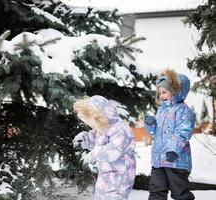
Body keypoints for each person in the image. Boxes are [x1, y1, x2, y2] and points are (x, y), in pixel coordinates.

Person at [144, 69, 195, 200]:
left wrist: (173, 149)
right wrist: (151, 125)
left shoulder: (184, 111)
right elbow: (157, 135)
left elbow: (183, 132)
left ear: (176, 91)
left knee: (180, 194)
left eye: (164, 92)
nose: (161, 96)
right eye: (159, 93)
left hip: (176, 162)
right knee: (156, 192)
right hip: (158, 161)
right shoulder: (161, 111)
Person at [72, 95, 136, 200]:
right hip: (106, 174)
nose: (92, 127)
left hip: (120, 176)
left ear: (99, 117)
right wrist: (83, 139)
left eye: (92, 123)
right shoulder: (103, 128)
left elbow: (115, 150)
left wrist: (94, 154)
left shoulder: (120, 129)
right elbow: (96, 139)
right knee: (101, 196)